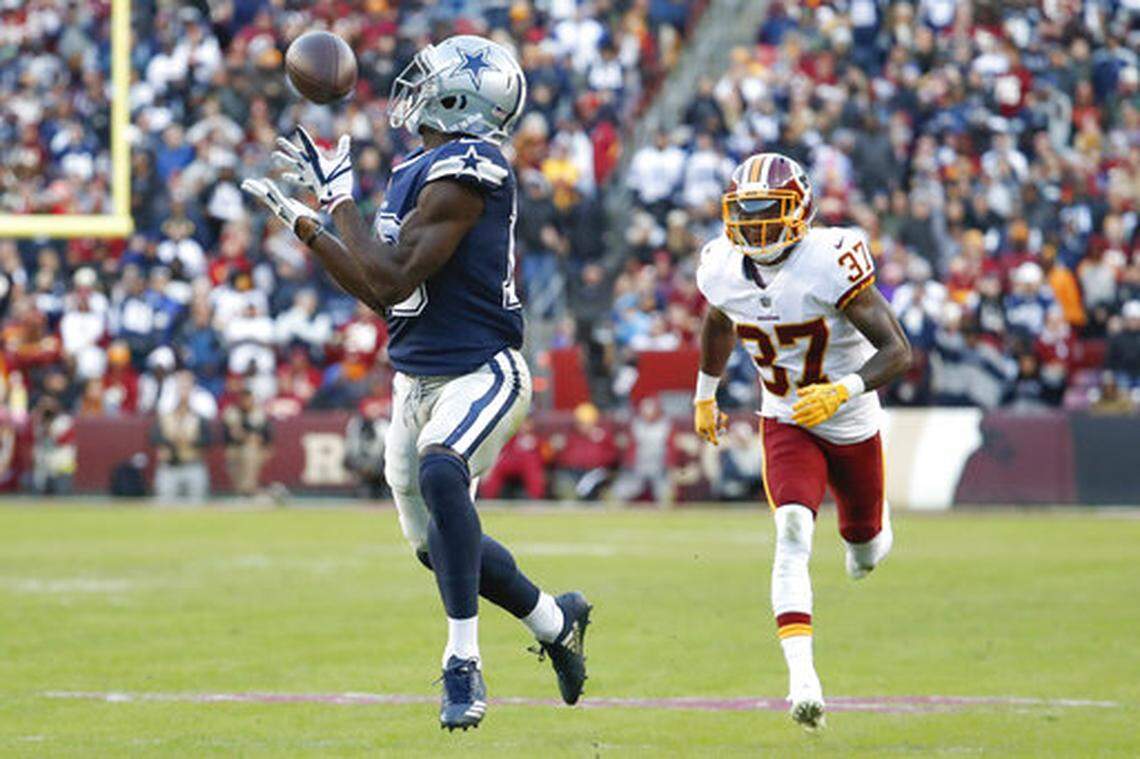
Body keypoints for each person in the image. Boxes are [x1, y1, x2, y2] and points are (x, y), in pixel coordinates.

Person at [242, 35, 590, 730]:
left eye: (432, 78)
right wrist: (309, 224)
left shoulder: (471, 165)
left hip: (481, 368)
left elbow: (396, 275)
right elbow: (380, 289)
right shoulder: (414, 169)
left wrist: (340, 201)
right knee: (438, 548)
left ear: (464, 99)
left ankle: (463, 662)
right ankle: (557, 622)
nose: (415, 86)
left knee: (441, 471)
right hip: (415, 377)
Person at [693, 153, 912, 730]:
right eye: (745, 212)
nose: (755, 224)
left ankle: (870, 531)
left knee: (864, 549)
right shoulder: (720, 265)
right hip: (785, 416)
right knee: (791, 531)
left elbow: (898, 351)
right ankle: (802, 682)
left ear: (800, 210)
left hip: (850, 419)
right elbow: (718, 321)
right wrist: (705, 394)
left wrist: (842, 391)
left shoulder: (831, 259)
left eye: (768, 209)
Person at [221, 387, 273, 496]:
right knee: (236, 456)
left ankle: (248, 490)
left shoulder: (259, 413)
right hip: (234, 448)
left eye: (248, 399)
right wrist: (246, 437)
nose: (246, 402)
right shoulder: (232, 413)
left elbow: (265, 436)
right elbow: (229, 436)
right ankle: (245, 491)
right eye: (243, 399)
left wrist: (249, 437)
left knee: (249, 452)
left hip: (256, 450)